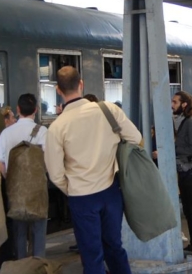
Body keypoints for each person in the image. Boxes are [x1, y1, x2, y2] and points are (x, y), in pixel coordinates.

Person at [44, 67, 139, 274]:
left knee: (91, 254)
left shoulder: (57, 127)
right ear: (81, 84)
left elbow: (55, 173)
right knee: (115, 247)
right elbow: (135, 138)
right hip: (111, 191)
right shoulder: (108, 110)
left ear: (59, 90)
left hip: (81, 196)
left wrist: (73, 189)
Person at [0, 94, 49, 258]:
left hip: (15, 192)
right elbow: (47, 161)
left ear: (18, 110)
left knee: (18, 232)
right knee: (39, 232)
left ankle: (21, 265)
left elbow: (1, 164)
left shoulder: (6, 133)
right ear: (36, 110)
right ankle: (38, 265)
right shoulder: (43, 132)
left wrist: (11, 181)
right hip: (38, 191)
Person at [163, 91, 192, 254]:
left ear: (184, 104)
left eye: (175, 102)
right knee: (189, 208)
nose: (171, 105)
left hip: (191, 170)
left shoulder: (191, 123)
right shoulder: (183, 121)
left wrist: (170, 150)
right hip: (187, 170)